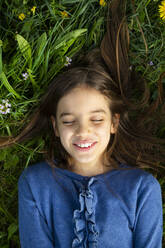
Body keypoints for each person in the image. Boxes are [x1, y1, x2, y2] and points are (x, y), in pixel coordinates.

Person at [0, 0, 164, 247]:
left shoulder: (142, 189)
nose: (83, 131)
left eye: (96, 119)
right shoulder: (35, 184)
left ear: (114, 123)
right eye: (69, 121)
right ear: (55, 126)